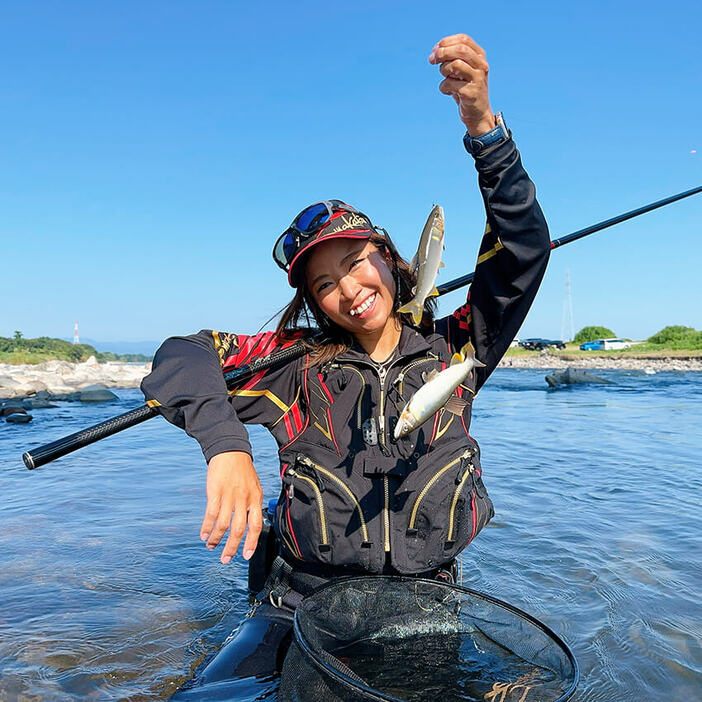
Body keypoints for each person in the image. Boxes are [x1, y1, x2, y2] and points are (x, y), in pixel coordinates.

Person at [142, 33, 550, 690]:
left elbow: (524, 250)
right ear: (313, 301)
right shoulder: (290, 368)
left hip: (426, 606)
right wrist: (226, 447)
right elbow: (182, 356)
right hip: (295, 607)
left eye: (356, 262)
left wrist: (482, 125)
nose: (349, 289)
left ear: (388, 258)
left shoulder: (460, 347)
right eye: (324, 283)